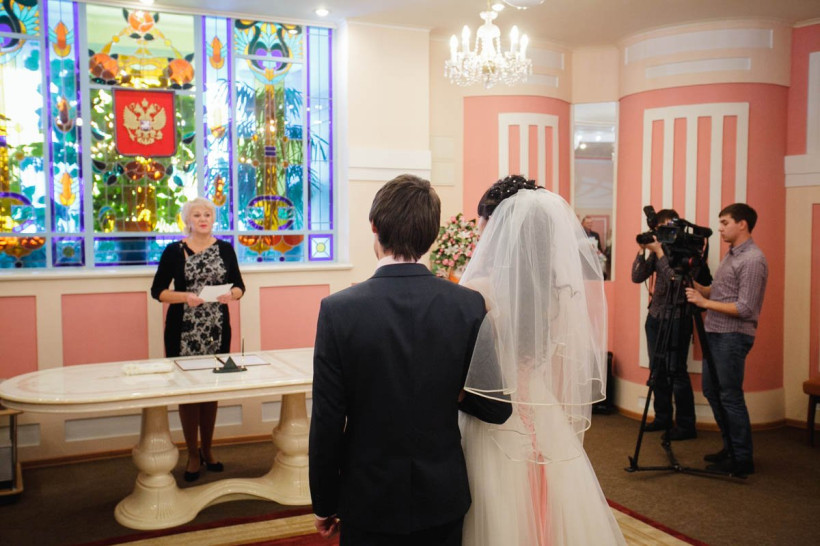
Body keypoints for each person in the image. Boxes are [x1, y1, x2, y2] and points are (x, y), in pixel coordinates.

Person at [309, 174, 511, 545]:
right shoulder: (468, 305)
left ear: (374, 225)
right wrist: (449, 389)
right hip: (442, 495)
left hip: (368, 496)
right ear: (431, 235)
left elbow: (327, 419)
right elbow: (497, 407)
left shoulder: (338, 310)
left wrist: (323, 501)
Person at [459, 175, 624, 545]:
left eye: (482, 222)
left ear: (496, 225)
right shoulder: (553, 293)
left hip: (492, 412)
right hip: (540, 405)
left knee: (500, 509)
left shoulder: (477, 290)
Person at [150, 197, 245, 482]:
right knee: (188, 392)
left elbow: (240, 286)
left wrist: (232, 295)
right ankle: (192, 454)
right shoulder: (173, 251)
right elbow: (158, 292)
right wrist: (185, 297)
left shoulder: (225, 249)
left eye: (207, 214)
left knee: (211, 390)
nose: (203, 219)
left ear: (213, 219)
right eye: (197, 215)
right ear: (187, 220)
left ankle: (208, 449)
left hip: (216, 328)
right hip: (183, 330)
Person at [685, 203, 767, 475]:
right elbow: (719, 292)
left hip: (732, 336)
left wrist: (704, 303)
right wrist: (700, 289)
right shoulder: (731, 255)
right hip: (716, 333)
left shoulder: (752, 259)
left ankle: (742, 459)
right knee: (712, 391)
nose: (719, 229)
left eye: (725, 223)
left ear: (742, 224)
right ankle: (730, 446)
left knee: (730, 396)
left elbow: (745, 308)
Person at [631, 208, 706, 441]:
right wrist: (642, 251)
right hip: (655, 317)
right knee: (657, 371)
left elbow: (675, 281)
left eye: (664, 230)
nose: (660, 234)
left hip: (678, 318)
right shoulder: (658, 251)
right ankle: (662, 417)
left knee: (677, 371)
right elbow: (637, 277)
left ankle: (685, 425)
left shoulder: (689, 250)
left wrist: (660, 253)